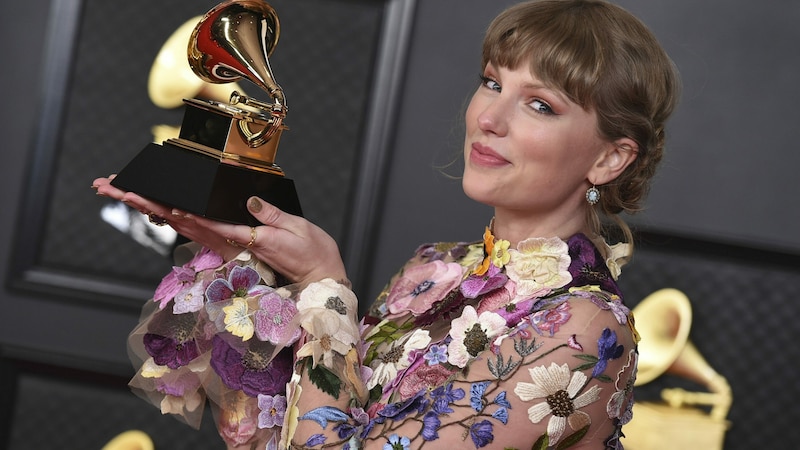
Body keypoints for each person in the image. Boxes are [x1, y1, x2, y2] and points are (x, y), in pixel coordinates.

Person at [93, 0, 679, 448]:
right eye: (493, 82)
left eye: (540, 104)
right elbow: (276, 435)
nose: (489, 118)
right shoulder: (432, 269)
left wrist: (324, 285)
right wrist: (241, 265)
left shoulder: (586, 323)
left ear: (610, 157)